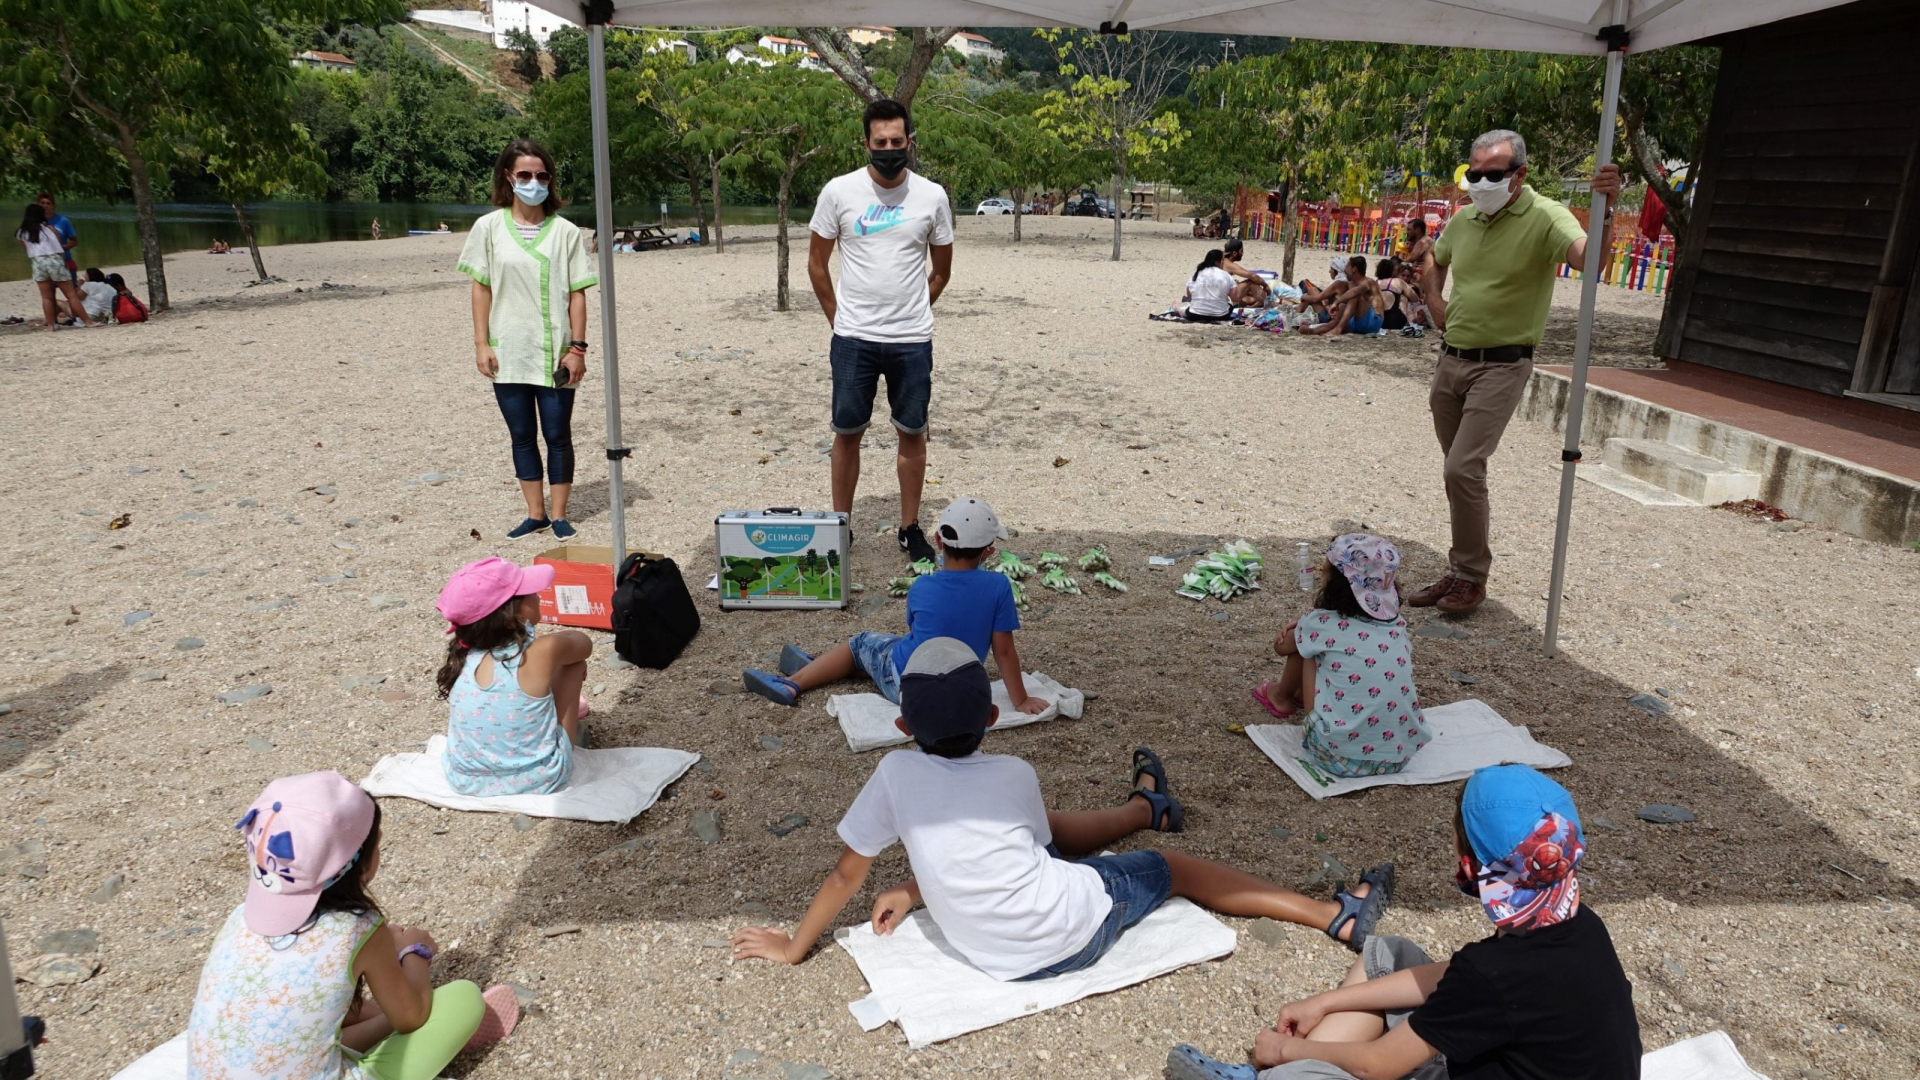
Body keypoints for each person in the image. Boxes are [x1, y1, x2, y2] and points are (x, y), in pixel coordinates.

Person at [731, 638, 1396, 977]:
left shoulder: (894, 773)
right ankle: (1331, 915)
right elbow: (1035, 846)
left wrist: (795, 947)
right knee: (1173, 868)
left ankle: (1144, 808)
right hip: (1068, 934)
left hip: (993, 958)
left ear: (902, 726)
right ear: (992, 716)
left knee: (1051, 843)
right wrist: (913, 889)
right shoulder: (1013, 770)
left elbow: (847, 875)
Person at [1167, 765, 1641, 1080]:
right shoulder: (1577, 925)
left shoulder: (1495, 975)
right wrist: (1325, 1002)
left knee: (1330, 1068)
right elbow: (1449, 977)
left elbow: (1379, 1066)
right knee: (1389, 955)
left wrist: (1285, 1051)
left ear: (1471, 865)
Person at [187, 771, 519, 1080]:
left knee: (322, 1016)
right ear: (364, 864)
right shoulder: (357, 929)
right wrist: (413, 952)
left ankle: (382, 1026)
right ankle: (442, 1034)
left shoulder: (241, 918)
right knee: (464, 998)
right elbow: (412, 1016)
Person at [1414, 130, 1621, 614]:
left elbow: (1591, 263)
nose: (1480, 181)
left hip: (1503, 364)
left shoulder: (1546, 215)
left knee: (1461, 468)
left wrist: (1606, 212)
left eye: (1492, 174)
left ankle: (1471, 577)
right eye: (1474, 173)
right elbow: (1434, 261)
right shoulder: (1463, 219)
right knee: (1461, 475)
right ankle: (1463, 566)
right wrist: (1433, 298)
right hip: (1452, 358)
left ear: (1519, 175)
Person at [808, 98, 955, 566]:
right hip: (854, 340)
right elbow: (816, 264)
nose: (889, 149)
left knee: (912, 432)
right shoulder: (838, 192)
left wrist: (911, 310)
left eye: (897, 141)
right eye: (880, 142)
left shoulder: (932, 196)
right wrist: (840, 319)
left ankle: (909, 527)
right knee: (847, 432)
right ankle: (840, 526)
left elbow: (941, 270)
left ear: (910, 142)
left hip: (912, 340)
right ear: (866, 143)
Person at [741, 497, 1049, 714]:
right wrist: (1020, 700)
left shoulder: (923, 585)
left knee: (863, 642)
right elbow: (1004, 651)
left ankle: (793, 684)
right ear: (990, 552)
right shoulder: (998, 587)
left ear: (938, 542)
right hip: (958, 685)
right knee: (885, 650)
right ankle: (820, 667)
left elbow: (916, 634)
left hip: (907, 685)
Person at [458, 138, 597, 542]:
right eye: (524, 174)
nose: (533, 182)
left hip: (555, 351)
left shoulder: (566, 233)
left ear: (550, 180)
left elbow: (577, 293)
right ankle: (534, 513)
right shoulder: (488, 228)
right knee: (521, 435)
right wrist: (481, 343)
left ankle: (558, 514)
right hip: (509, 350)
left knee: (557, 434)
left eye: (541, 175)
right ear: (508, 177)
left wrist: (578, 349)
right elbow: (480, 287)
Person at [1250, 534, 1430, 778]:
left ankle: (1281, 697)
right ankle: (1304, 696)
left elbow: (1282, 648)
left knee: (1307, 648)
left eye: (1324, 570)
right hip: (1397, 756)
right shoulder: (1396, 624)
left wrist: (1303, 625)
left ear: (1337, 583)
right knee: (1317, 644)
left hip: (1335, 756)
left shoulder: (1322, 623)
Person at [434, 557, 593, 796]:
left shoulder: (463, 654)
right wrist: (545, 643)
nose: (538, 596)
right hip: (538, 778)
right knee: (573, 664)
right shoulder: (543, 651)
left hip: (465, 780)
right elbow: (584, 644)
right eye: (530, 592)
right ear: (511, 611)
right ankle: (569, 735)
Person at [17, 205, 95, 330]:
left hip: (37, 262)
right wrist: (63, 261)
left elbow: (27, 250)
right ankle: (88, 322)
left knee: (46, 297)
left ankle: (51, 325)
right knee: (71, 295)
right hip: (53, 260)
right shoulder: (49, 229)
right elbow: (58, 246)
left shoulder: (21, 232)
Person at [1300, 256, 1384, 336]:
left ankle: (1338, 329)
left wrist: (1336, 303)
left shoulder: (1368, 282)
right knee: (1342, 309)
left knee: (1353, 296)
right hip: (1358, 322)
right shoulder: (1350, 283)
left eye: (1347, 267)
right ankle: (1312, 331)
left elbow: (1354, 292)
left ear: (1354, 269)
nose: (1344, 269)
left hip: (1373, 321)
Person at [1182, 249, 1236, 323]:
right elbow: (1235, 297)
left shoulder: (1196, 273)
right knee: (1229, 306)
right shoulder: (1226, 275)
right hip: (1220, 315)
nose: (1224, 262)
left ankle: (1176, 309)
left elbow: (1189, 295)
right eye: (1222, 260)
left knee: (1186, 309)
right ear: (1217, 262)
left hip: (1195, 314)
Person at [35, 192, 77, 284]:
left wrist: (63, 247)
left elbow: (74, 241)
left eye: (48, 203)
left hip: (63, 261)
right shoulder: (34, 221)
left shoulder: (63, 221)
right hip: (43, 264)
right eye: (42, 203)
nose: (45, 206)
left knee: (73, 293)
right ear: (38, 205)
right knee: (48, 296)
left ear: (53, 206)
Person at [1221, 237, 1273, 307]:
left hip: (1220, 296)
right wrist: (1265, 285)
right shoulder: (1228, 264)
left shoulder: (1222, 261)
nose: (1242, 253)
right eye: (1241, 251)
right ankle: (1270, 304)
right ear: (1234, 253)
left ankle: (1255, 305)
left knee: (1250, 298)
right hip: (1223, 298)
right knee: (1251, 283)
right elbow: (1253, 276)